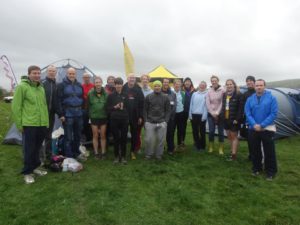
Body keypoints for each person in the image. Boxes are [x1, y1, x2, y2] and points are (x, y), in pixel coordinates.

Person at [12, 65, 49, 184]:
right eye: (34, 73)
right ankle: (27, 172)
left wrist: (46, 122)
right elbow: (16, 107)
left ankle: (36, 167)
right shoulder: (22, 87)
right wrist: (19, 125)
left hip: (41, 124)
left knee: (37, 148)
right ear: (29, 74)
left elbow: (43, 107)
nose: (37, 75)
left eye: (39, 73)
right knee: (29, 149)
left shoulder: (41, 88)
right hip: (29, 124)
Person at [245, 79, 278, 180]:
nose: (259, 87)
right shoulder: (250, 99)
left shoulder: (272, 98)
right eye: (257, 85)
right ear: (254, 87)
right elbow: (247, 113)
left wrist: (262, 125)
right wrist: (254, 124)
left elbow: (273, 114)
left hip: (267, 128)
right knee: (255, 150)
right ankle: (256, 168)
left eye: (261, 85)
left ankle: (270, 171)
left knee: (269, 151)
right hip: (253, 128)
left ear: (264, 86)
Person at [57, 67, 86, 161]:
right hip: (67, 114)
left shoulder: (79, 85)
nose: (72, 75)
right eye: (70, 73)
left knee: (78, 135)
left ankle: (76, 153)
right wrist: (61, 114)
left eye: (73, 73)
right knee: (68, 136)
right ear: (67, 74)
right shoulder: (61, 85)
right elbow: (59, 101)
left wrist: (83, 110)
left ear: (75, 74)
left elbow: (82, 98)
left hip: (78, 113)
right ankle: (69, 156)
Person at [144, 80, 170, 160]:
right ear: (153, 87)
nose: (157, 87)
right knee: (149, 139)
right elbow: (145, 109)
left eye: (158, 86)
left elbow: (168, 110)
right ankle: (149, 154)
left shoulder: (165, 97)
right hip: (150, 122)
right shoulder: (148, 97)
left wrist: (166, 121)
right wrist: (146, 120)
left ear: (161, 86)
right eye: (155, 86)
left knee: (161, 140)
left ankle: (159, 155)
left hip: (162, 122)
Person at [106, 77, 129, 164]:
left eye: (120, 84)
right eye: (117, 84)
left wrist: (124, 108)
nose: (118, 86)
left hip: (124, 119)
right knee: (116, 139)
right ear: (115, 85)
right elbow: (107, 109)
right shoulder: (111, 96)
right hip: (114, 120)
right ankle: (116, 157)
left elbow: (129, 108)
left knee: (124, 138)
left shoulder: (126, 95)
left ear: (122, 85)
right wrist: (114, 107)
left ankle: (123, 157)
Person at [122, 73, 144, 160]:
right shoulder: (123, 88)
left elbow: (142, 103)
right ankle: (122, 150)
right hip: (124, 115)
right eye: (130, 78)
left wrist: (140, 116)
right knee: (123, 133)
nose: (132, 79)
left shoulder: (138, 89)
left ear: (135, 79)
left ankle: (132, 151)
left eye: (133, 78)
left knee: (134, 134)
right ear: (127, 78)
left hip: (135, 116)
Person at [221, 79, 243, 161]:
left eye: (231, 84)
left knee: (234, 136)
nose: (229, 86)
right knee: (229, 136)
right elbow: (223, 107)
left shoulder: (238, 94)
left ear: (234, 85)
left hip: (234, 120)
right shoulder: (224, 95)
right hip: (226, 119)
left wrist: (237, 119)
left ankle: (234, 155)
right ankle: (232, 151)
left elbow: (241, 109)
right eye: (227, 84)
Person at [87, 77, 108, 160]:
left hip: (103, 117)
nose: (98, 84)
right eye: (96, 82)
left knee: (103, 135)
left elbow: (108, 105)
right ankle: (96, 153)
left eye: (99, 82)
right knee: (95, 135)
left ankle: (103, 152)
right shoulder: (90, 93)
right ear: (94, 84)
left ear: (101, 83)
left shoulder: (106, 93)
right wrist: (90, 116)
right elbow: (87, 106)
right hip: (94, 117)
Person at [41, 65, 58, 164]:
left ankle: (48, 154)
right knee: (40, 136)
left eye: (53, 71)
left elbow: (56, 100)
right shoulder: (42, 83)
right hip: (42, 114)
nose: (52, 72)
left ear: (56, 72)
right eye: (50, 71)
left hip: (51, 114)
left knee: (48, 135)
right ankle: (40, 157)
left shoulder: (56, 84)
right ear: (47, 72)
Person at [206, 75, 225, 154]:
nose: (214, 82)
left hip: (220, 114)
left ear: (218, 81)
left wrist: (217, 112)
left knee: (221, 132)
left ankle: (221, 148)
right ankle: (211, 147)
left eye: (215, 80)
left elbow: (222, 102)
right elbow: (207, 103)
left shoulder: (223, 90)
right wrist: (212, 113)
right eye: (212, 81)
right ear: (211, 82)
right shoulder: (209, 91)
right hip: (211, 114)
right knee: (211, 131)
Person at [240, 75, 257, 161]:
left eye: (251, 81)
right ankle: (251, 155)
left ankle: (258, 155)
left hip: (258, 120)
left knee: (257, 139)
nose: (249, 82)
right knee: (249, 138)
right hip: (247, 121)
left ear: (254, 82)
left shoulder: (257, 92)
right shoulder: (245, 94)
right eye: (247, 81)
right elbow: (242, 107)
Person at [136, 74, 153, 152]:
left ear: (148, 80)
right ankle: (138, 147)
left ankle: (148, 148)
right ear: (141, 80)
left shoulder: (151, 91)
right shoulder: (138, 90)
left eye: (146, 79)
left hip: (148, 115)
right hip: (139, 114)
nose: (145, 80)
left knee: (148, 133)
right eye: (143, 79)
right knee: (138, 132)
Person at [189, 81, 208, 151]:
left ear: (205, 86)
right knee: (195, 131)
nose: (202, 86)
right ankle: (197, 145)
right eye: (201, 85)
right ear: (199, 86)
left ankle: (203, 146)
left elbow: (206, 106)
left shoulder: (207, 94)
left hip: (202, 115)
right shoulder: (194, 94)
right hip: (194, 115)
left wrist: (204, 116)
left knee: (202, 131)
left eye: (203, 85)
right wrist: (190, 114)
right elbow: (191, 104)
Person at [161, 78, 176, 155]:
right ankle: (161, 148)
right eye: (164, 82)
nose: (166, 83)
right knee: (160, 134)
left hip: (170, 118)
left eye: (167, 82)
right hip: (160, 118)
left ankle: (170, 148)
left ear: (169, 83)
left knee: (170, 134)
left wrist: (168, 116)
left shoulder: (173, 94)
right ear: (162, 83)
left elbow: (174, 106)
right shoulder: (158, 92)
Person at [173, 79, 186, 150]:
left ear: (180, 85)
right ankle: (172, 145)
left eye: (179, 84)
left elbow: (184, 103)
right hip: (173, 114)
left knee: (180, 129)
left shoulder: (183, 93)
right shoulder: (171, 92)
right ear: (174, 85)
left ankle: (179, 144)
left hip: (181, 113)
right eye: (176, 84)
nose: (177, 85)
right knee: (172, 130)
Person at [182, 77, 195, 146]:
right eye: (186, 81)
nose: (187, 83)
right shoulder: (181, 90)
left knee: (194, 127)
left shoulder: (194, 91)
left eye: (189, 81)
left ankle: (195, 141)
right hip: (183, 111)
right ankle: (182, 142)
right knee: (183, 127)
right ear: (184, 83)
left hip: (192, 111)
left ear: (191, 83)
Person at [82, 73, 94, 143]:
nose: (86, 79)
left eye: (88, 77)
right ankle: (86, 138)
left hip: (92, 109)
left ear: (90, 78)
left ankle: (91, 138)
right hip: (83, 108)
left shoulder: (93, 86)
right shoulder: (81, 86)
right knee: (84, 124)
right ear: (83, 78)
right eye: (85, 77)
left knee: (91, 124)